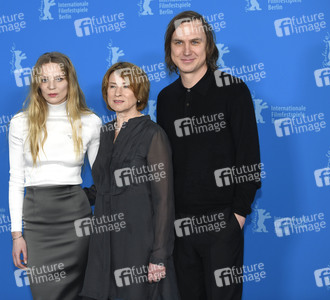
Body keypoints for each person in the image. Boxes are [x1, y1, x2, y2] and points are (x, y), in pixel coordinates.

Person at [157, 11, 262, 300]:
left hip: (222, 224)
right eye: (178, 43)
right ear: (169, 49)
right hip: (179, 227)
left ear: (209, 46)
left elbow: (249, 156)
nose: (187, 50)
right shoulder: (166, 99)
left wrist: (238, 215)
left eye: (195, 41)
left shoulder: (234, 90)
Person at [80, 62, 180, 300]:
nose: (117, 93)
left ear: (139, 93)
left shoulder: (153, 134)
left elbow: (164, 200)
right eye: (112, 86)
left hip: (139, 242)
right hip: (104, 241)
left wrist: (159, 255)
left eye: (125, 87)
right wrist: (65, 196)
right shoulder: (104, 134)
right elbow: (103, 187)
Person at [8, 52, 102, 300]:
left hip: (76, 221)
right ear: (36, 83)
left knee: (80, 293)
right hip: (37, 223)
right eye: (44, 79)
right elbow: (16, 181)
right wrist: (17, 235)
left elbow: (103, 180)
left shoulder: (90, 122)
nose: (51, 86)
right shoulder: (20, 122)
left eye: (59, 78)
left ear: (70, 80)